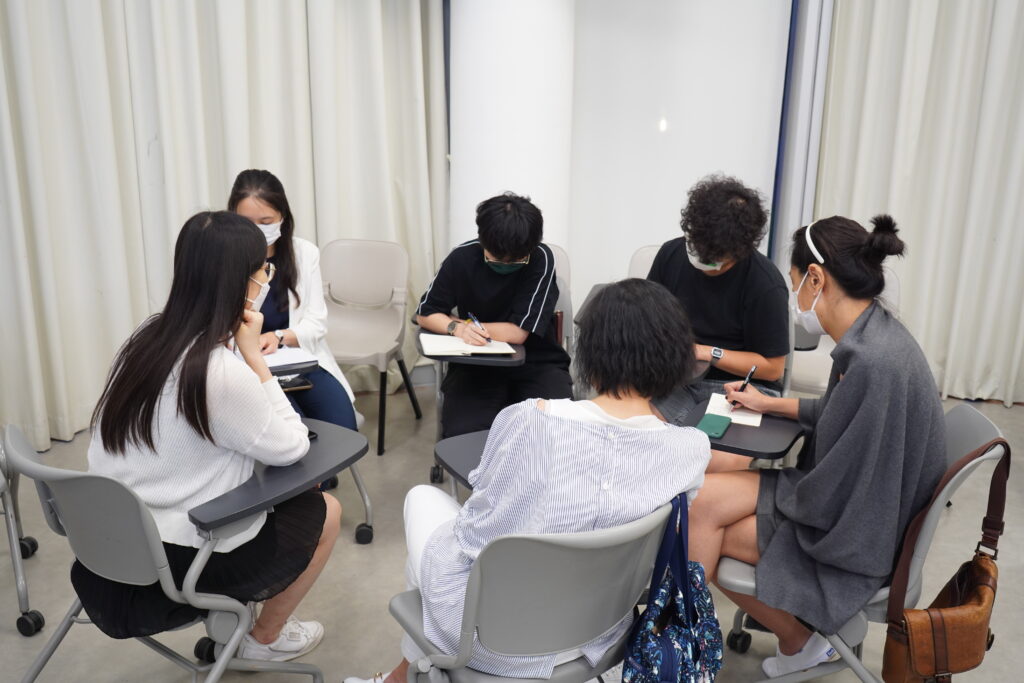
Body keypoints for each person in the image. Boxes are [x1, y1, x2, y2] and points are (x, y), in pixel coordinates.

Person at [346, 279, 711, 683]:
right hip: (602, 631)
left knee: (424, 502)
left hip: (495, 641)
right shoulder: (690, 449)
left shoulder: (530, 419)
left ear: (591, 353)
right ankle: (403, 676)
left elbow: (477, 534)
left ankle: (404, 676)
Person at [688, 215, 946, 678]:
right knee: (702, 500)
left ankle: (700, 650)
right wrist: (770, 404)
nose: (795, 298)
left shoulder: (872, 362)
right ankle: (774, 641)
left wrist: (775, 487)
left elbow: (837, 492)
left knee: (706, 523)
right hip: (861, 507)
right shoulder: (873, 336)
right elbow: (844, 414)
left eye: (794, 284)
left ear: (815, 278)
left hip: (855, 534)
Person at [80, 211, 340, 662]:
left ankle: (243, 627)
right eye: (264, 269)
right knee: (326, 509)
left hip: (107, 543)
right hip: (177, 561)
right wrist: (254, 359)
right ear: (244, 282)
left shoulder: (145, 338)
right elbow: (292, 446)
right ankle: (262, 641)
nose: (267, 277)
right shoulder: (218, 373)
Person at [415, 192, 573, 437]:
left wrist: (462, 323)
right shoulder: (462, 257)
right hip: (475, 363)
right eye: (496, 259)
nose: (505, 266)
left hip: (536, 362)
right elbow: (426, 313)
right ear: (483, 241)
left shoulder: (540, 258)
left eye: (515, 262)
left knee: (554, 429)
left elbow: (518, 333)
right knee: (464, 433)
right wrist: (456, 328)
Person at [647, 174, 790, 425]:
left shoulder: (765, 284)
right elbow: (646, 321)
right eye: (696, 248)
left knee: (712, 444)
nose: (703, 262)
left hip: (741, 386)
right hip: (677, 380)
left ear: (740, 251)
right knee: (643, 430)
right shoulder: (671, 255)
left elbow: (773, 367)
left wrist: (705, 352)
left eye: (714, 260)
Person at [228, 169, 357, 433]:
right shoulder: (223, 258)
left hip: (297, 361)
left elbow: (316, 323)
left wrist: (277, 337)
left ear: (282, 217)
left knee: (343, 428)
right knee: (295, 432)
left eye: (266, 221)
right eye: (247, 223)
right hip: (246, 370)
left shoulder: (304, 253)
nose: (257, 230)